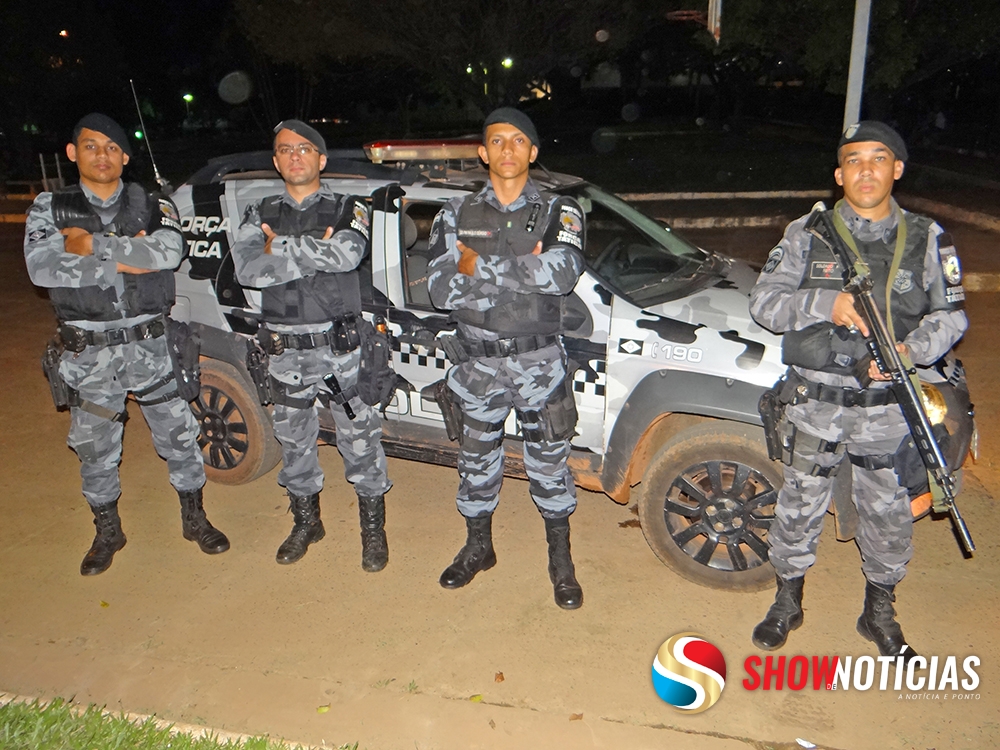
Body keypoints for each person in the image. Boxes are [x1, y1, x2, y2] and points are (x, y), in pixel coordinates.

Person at [749, 121, 968, 659]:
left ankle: (879, 611)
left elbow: (951, 316)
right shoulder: (809, 232)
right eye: (854, 160)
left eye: (878, 158)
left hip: (889, 409)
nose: (865, 169)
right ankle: (787, 600)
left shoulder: (926, 238)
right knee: (798, 504)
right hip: (815, 404)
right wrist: (827, 305)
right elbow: (765, 302)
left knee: (889, 513)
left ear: (897, 169)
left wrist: (909, 351)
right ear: (838, 174)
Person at [24, 113, 230, 575]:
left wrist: (85, 245)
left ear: (126, 156)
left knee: (179, 437)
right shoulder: (49, 208)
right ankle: (107, 531)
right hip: (88, 351)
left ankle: (195, 519)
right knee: (95, 447)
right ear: (73, 152)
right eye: (92, 146)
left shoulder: (155, 204)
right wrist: (127, 255)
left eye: (113, 148)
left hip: (152, 345)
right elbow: (43, 269)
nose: (103, 155)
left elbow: (167, 254)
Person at [426, 108, 587, 609]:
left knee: (549, 465)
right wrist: (521, 268)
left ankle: (561, 561)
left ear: (533, 152)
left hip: (539, 362)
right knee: (475, 459)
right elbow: (437, 287)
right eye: (498, 141)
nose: (508, 149)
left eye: (519, 141)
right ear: (483, 152)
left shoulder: (562, 211)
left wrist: (479, 265)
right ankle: (478, 547)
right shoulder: (454, 214)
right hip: (476, 365)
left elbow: (561, 274)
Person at [231, 120, 391, 570]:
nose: (295, 156)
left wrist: (276, 247)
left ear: (321, 159)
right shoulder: (255, 208)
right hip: (285, 350)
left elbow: (346, 254)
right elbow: (247, 270)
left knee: (360, 439)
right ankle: (307, 522)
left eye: (304, 149)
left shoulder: (349, 206)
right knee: (294, 440)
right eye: (285, 149)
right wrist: (308, 251)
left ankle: (372, 531)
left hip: (342, 348)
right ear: (276, 160)